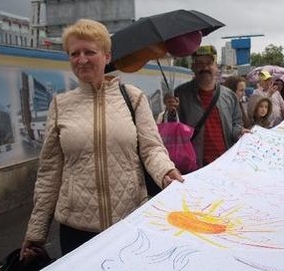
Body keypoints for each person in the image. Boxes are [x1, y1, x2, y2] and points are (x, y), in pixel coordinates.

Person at [20, 19, 184, 260]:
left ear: (107, 56)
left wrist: (166, 173)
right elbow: (49, 172)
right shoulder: (60, 105)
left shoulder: (133, 98)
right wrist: (36, 232)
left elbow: (151, 149)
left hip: (129, 223)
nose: (82, 59)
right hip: (77, 231)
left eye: (89, 52)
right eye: (74, 53)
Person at [175, 45, 244, 167]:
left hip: (225, 163)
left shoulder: (229, 96)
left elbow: (236, 124)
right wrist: (170, 112)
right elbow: (174, 129)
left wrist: (240, 132)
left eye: (209, 63)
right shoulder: (181, 94)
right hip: (194, 166)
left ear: (216, 67)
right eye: (200, 63)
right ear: (193, 67)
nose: (205, 67)